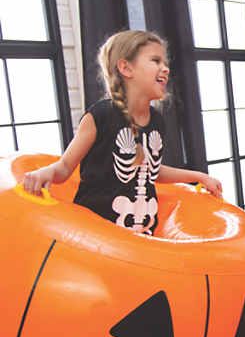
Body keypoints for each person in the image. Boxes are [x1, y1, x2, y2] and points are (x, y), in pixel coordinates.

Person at [22, 30, 222, 235]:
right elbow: (65, 166)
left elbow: (151, 169)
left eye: (165, 62)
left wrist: (199, 177)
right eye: (156, 60)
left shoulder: (157, 121)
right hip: (96, 237)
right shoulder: (99, 116)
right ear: (126, 68)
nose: (166, 68)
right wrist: (45, 172)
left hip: (143, 235)